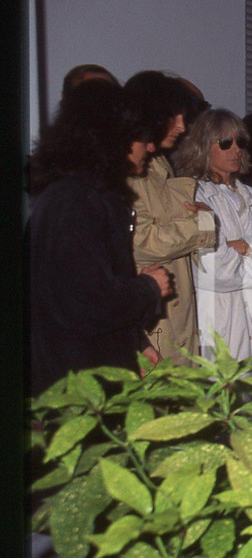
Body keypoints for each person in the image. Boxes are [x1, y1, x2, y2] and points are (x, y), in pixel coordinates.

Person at [29, 79, 172, 395]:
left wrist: (136, 343)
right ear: (113, 139)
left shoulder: (75, 195)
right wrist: (149, 288)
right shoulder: (78, 201)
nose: (150, 148)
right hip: (78, 386)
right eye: (142, 138)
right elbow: (88, 303)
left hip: (83, 371)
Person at [173, 109, 252, 374]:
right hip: (219, 317)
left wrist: (246, 246)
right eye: (226, 142)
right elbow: (211, 268)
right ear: (203, 146)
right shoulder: (192, 196)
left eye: (240, 141)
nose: (236, 149)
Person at [124, 70, 217, 366]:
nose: (181, 126)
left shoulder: (160, 162)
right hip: (152, 323)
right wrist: (203, 224)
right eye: (173, 117)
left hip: (178, 314)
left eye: (184, 117)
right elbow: (141, 241)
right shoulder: (130, 168)